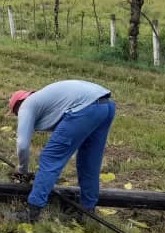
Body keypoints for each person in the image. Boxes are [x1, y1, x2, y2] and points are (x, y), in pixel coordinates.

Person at [8, 80, 116, 223]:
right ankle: (87, 212)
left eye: (16, 114)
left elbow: (22, 145)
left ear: (18, 105)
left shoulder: (27, 105)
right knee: (89, 162)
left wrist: (22, 169)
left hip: (86, 108)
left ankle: (32, 213)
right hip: (106, 105)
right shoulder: (48, 100)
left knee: (49, 159)